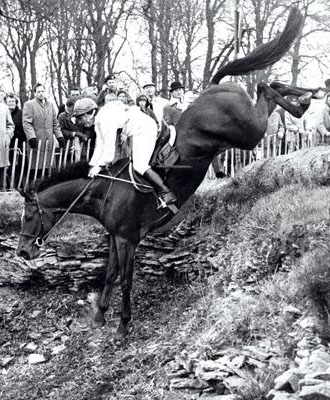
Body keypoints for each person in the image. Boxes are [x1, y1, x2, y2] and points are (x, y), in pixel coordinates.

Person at [73, 98, 177, 208]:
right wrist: (92, 165)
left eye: (80, 118)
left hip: (144, 129)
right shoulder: (99, 120)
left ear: (90, 113)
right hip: (137, 130)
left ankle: (166, 193)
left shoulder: (105, 120)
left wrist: (98, 166)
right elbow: (100, 144)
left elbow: (109, 152)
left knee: (139, 165)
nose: (80, 122)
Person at [23, 83, 65, 173]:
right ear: (34, 93)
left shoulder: (50, 105)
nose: (41, 93)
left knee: (48, 167)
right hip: (37, 140)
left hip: (48, 141)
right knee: (36, 167)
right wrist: (31, 137)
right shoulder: (29, 105)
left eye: (42, 91)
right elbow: (27, 123)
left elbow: (55, 123)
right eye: (38, 92)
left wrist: (59, 137)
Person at [0, 97, 14, 189]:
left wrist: (7, 136)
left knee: (1, 170)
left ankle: (2, 190)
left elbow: (10, 125)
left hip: (1, 144)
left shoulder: (4, 108)